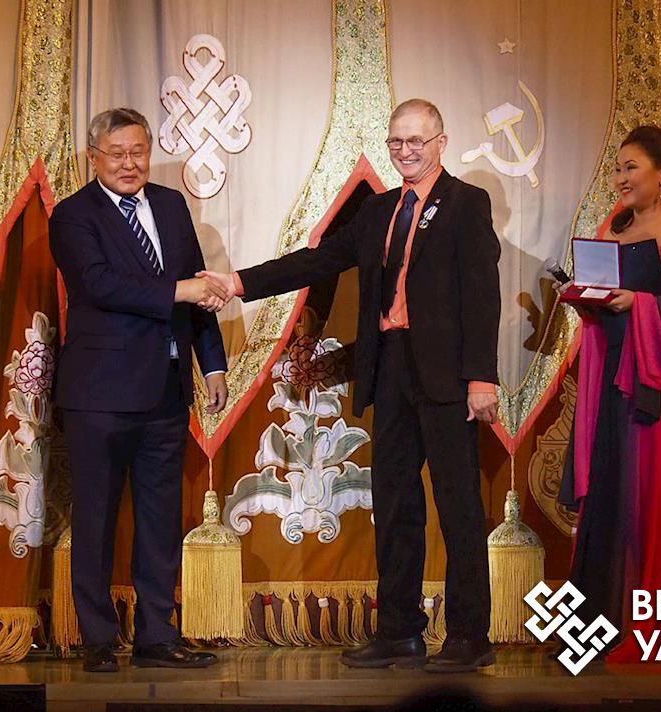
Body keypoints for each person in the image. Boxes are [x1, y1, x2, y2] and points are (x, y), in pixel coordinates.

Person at [203, 99, 501, 673]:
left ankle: (470, 635)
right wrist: (238, 282)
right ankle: (399, 632)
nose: (405, 152)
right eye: (396, 142)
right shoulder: (381, 210)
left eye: (416, 141)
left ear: (440, 142)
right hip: (390, 368)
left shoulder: (466, 203)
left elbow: (482, 294)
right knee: (393, 502)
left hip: (448, 376)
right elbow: (317, 261)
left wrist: (481, 378)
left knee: (458, 504)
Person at [49, 107, 229, 672]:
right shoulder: (73, 215)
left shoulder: (171, 205)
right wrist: (179, 291)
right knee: (96, 520)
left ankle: (157, 637)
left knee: (159, 520)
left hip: (166, 394)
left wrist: (213, 365)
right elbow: (99, 285)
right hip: (99, 396)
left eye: (138, 152)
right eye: (117, 154)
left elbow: (198, 289)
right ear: (93, 158)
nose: (129, 164)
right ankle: (98, 640)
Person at [558, 125, 661, 663]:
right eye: (617, 168)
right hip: (612, 380)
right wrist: (584, 299)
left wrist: (641, 303)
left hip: (657, 384)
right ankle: (602, 628)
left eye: (631, 167)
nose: (620, 178)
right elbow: (604, 301)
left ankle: (654, 628)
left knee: (647, 497)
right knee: (613, 496)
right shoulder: (612, 228)